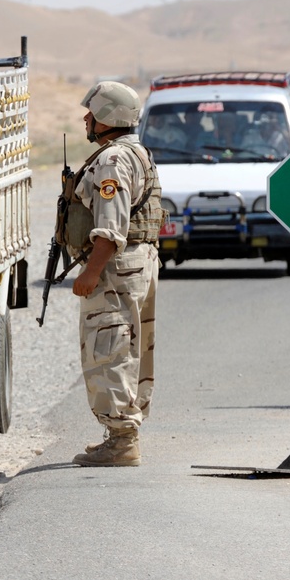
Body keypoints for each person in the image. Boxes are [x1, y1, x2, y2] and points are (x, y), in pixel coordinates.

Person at [66, 81, 164, 467]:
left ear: (108, 116)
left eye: (92, 112)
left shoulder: (113, 161)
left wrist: (91, 272)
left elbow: (110, 227)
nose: (86, 119)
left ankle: (122, 440)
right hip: (138, 264)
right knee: (131, 348)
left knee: (108, 349)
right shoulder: (136, 152)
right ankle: (125, 432)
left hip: (115, 269)